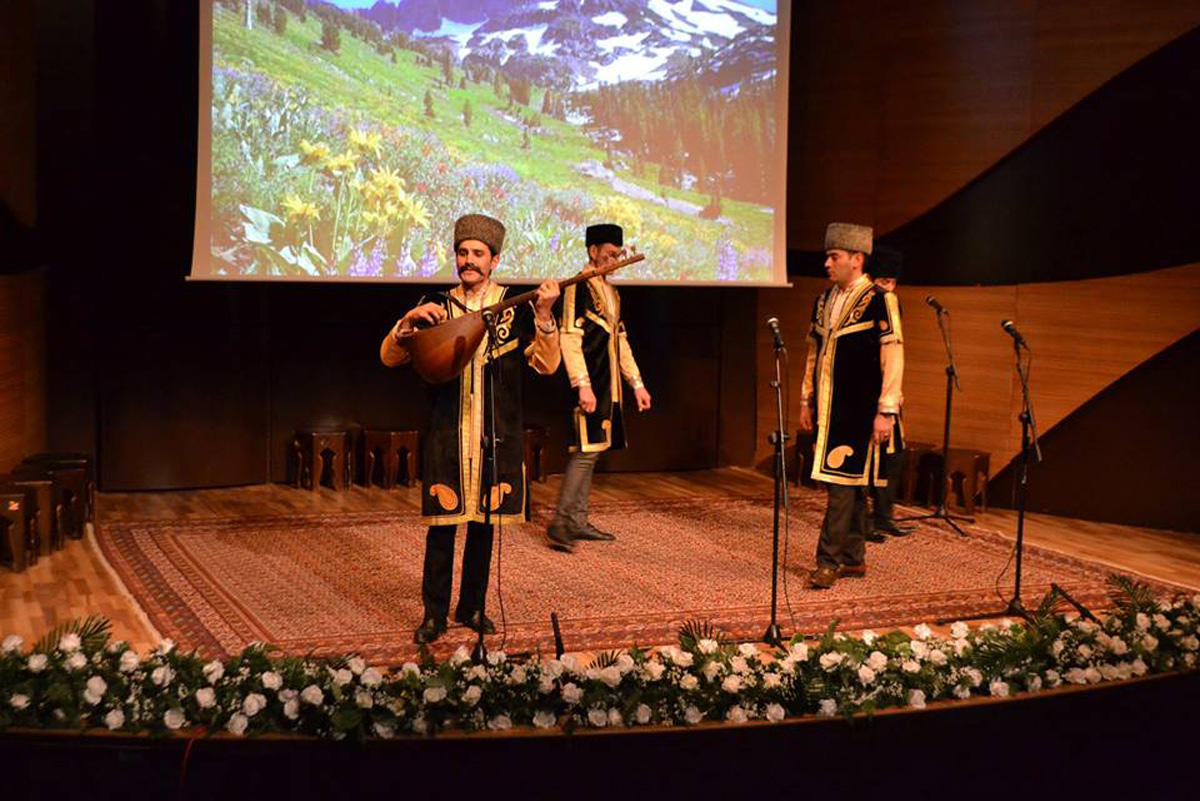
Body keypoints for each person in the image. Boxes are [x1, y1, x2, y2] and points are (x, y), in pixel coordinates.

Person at [381, 214, 561, 644]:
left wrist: (545, 314)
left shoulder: (515, 309)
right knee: (442, 527)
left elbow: (547, 364)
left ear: (495, 260)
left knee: (484, 526)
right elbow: (391, 357)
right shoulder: (435, 305)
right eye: (463, 253)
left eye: (478, 254)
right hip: (448, 433)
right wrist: (408, 321)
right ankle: (434, 614)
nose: (468, 261)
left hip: (495, 435)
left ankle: (474, 606)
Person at [798, 223, 904, 589]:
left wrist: (886, 411)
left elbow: (893, 356)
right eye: (828, 256)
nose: (828, 264)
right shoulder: (824, 300)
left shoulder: (879, 300)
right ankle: (854, 556)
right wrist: (806, 400)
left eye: (835, 257)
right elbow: (814, 353)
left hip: (858, 410)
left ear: (856, 260)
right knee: (852, 484)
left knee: (840, 484)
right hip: (829, 407)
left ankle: (827, 560)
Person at [545, 223, 651, 552]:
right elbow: (570, 339)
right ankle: (561, 521)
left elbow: (621, 341)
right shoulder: (578, 287)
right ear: (593, 252)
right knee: (584, 451)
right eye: (608, 255)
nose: (614, 261)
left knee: (592, 451)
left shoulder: (612, 293)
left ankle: (577, 519)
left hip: (609, 385)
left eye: (618, 256)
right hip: (590, 384)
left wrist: (637, 384)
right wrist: (582, 385)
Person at [867, 245, 915, 540]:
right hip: (867, 395)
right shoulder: (867, 304)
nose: (889, 289)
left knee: (894, 457)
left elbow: (894, 354)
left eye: (892, 283)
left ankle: (884, 516)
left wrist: (892, 398)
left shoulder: (893, 304)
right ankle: (862, 522)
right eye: (883, 282)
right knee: (867, 463)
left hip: (889, 394)